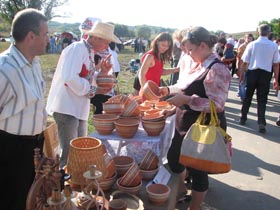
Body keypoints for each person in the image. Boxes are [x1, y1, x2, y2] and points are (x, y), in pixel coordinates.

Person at [159, 26, 231, 210]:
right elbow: (184, 86)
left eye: (190, 50)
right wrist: (168, 91)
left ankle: (195, 207)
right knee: (175, 158)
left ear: (203, 45)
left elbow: (217, 105)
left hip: (203, 127)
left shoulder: (218, 69)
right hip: (185, 121)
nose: (188, 54)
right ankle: (182, 190)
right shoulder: (198, 63)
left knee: (198, 170)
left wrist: (187, 100)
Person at [46, 21, 121, 169]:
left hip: (78, 109)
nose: (107, 47)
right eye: (106, 43)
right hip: (67, 108)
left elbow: (87, 77)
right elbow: (70, 78)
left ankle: (76, 184)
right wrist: (93, 91)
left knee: (81, 150)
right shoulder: (77, 49)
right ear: (97, 38)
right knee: (70, 154)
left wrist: (103, 73)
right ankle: (63, 187)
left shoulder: (89, 52)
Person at [0, 8, 49, 210]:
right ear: (31, 36)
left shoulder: (34, 63)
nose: (48, 39)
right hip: (11, 150)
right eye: (45, 34)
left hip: (33, 146)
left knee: (31, 199)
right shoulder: (4, 69)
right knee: (12, 200)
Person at [239, 24, 280, 133]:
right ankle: (261, 121)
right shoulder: (273, 46)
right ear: (268, 33)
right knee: (262, 99)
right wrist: (276, 78)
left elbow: (245, 61)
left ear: (258, 32)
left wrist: (241, 75)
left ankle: (243, 117)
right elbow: (276, 64)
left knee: (248, 96)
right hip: (266, 74)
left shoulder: (252, 44)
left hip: (253, 72)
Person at [236, 33, 254, 102]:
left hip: (250, 67)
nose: (249, 40)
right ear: (245, 38)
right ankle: (243, 97)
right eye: (248, 38)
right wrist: (238, 67)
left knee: (247, 83)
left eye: (250, 38)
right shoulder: (242, 46)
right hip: (243, 67)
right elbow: (239, 58)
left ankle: (243, 94)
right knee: (242, 82)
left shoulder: (253, 46)